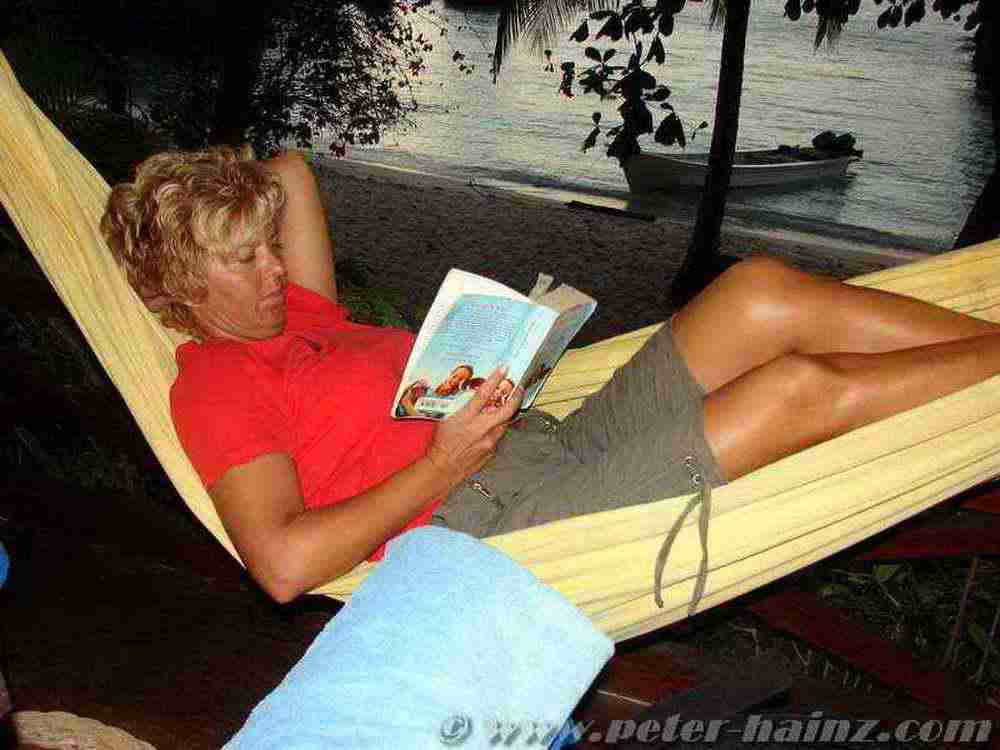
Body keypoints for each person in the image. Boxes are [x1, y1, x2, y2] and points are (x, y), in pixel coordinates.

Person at [100, 146, 1000, 604]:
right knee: (794, 388)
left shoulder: (299, 310)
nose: (272, 269)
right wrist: (441, 463)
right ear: (183, 284)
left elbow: (290, 173)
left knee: (759, 291)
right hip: (491, 520)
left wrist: (190, 199)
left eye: (269, 245)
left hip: (542, 441)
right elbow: (282, 567)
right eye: (243, 258)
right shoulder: (215, 384)